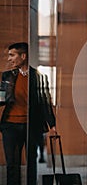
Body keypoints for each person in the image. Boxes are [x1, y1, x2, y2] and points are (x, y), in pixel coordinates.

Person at [0, 42, 56, 185]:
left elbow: (45, 103)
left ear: (23, 56)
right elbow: (1, 99)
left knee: (32, 163)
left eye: (12, 55)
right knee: (12, 164)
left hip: (32, 126)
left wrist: (52, 126)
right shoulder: (6, 76)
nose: (9, 59)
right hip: (10, 126)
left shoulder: (39, 77)